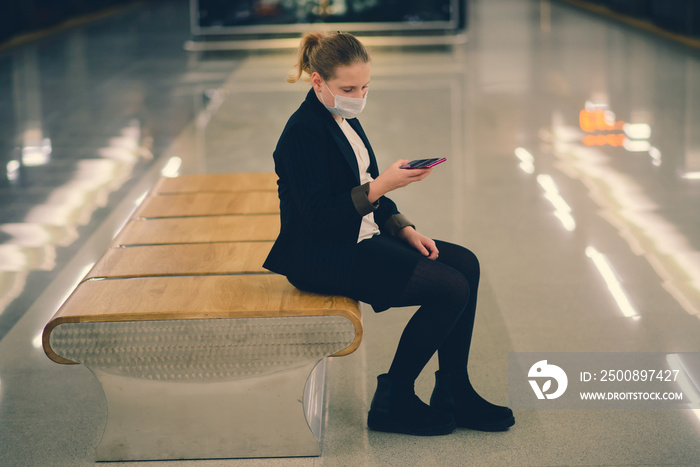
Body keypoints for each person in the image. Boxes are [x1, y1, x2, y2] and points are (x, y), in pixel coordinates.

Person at [263, 31, 514, 436]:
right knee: (450, 288)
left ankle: (454, 390)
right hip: (322, 254)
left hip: (358, 237)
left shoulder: (344, 119)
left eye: (364, 86)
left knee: (465, 263)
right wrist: (384, 185)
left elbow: (364, 185)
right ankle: (393, 399)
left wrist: (403, 228)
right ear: (317, 82)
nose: (358, 95)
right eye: (348, 88)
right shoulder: (302, 133)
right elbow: (321, 219)